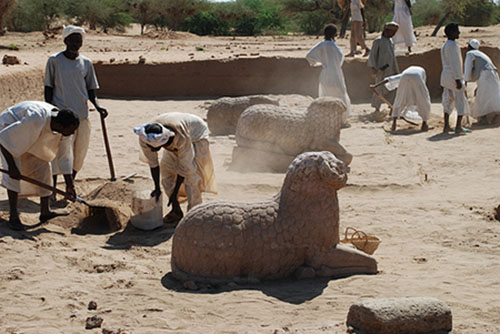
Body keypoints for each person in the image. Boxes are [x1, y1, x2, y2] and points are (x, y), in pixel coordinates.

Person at [44, 25, 107, 199]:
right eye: (72, 40)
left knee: (78, 155)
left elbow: (91, 89)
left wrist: (98, 106)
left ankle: (69, 190)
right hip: (61, 117)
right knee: (58, 156)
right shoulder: (54, 60)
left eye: (78, 41)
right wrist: (49, 110)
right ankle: (53, 191)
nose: (75, 44)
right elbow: (48, 87)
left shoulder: (86, 62)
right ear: (65, 41)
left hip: (82, 116)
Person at [0, 101, 79, 231]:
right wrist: (12, 167)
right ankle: (13, 217)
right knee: (14, 171)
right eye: (70, 131)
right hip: (7, 128)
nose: (71, 134)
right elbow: (4, 139)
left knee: (44, 166)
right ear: (59, 125)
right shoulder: (35, 119)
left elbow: (65, 157)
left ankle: (45, 212)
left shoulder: (65, 128)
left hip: (30, 134)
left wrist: (70, 185)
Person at [134, 112, 217, 225]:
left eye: (154, 148)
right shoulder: (145, 137)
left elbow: (185, 169)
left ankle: (194, 215)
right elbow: (153, 164)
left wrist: (175, 193)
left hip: (195, 134)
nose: (151, 150)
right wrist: (157, 187)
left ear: (162, 142)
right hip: (174, 130)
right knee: (166, 171)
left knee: (191, 177)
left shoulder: (180, 138)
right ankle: (176, 211)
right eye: (149, 147)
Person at [306, 24, 351, 126]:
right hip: (336, 73)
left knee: (326, 95)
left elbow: (309, 56)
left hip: (325, 73)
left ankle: (326, 119)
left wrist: (319, 63)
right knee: (340, 94)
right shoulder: (335, 47)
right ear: (335, 34)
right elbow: (340, 59)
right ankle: (342, 119)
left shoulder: (321, 45)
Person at [372, 66, 430, 131]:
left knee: (399, 99)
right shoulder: (421, 71)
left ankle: (394, 125)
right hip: (417, 78)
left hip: (405, 78)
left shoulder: (405, 73)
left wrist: (375, 86)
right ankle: (424, 124)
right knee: (423, 100)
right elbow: (421, 86)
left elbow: (389, 79)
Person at [440, 23, 469, 134]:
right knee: (460, 100)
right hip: (453, 76)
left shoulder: (445, 45)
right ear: (452, 32)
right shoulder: (452, 46)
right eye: (457, 30)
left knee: (447, 100)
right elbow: (455, 63)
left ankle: (446, 126)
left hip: (446, 76)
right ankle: (458, 127)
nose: (459, 33)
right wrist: (458, 79)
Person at [464, 39, 500, 125]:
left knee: (481, 96)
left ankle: (483, 119)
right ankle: (496, 118)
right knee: (494, 96)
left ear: (469, 47)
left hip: (485, 74)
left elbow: (468, 67)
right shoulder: (481, 54)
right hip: (494, 74)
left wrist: (465, 80)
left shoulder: (470, 53)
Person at [368, 22, 400, 113]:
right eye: (392, 32)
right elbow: (373, 55)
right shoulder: (378, 41)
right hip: (381, 70)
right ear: (387, 31)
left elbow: (393, 58)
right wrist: (373, 68)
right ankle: (376, 108)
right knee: (379, 89)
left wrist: (396, 70)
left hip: (391, 70)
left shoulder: (391, 42)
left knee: (393, 89)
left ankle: (391, 108)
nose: (393, 34)